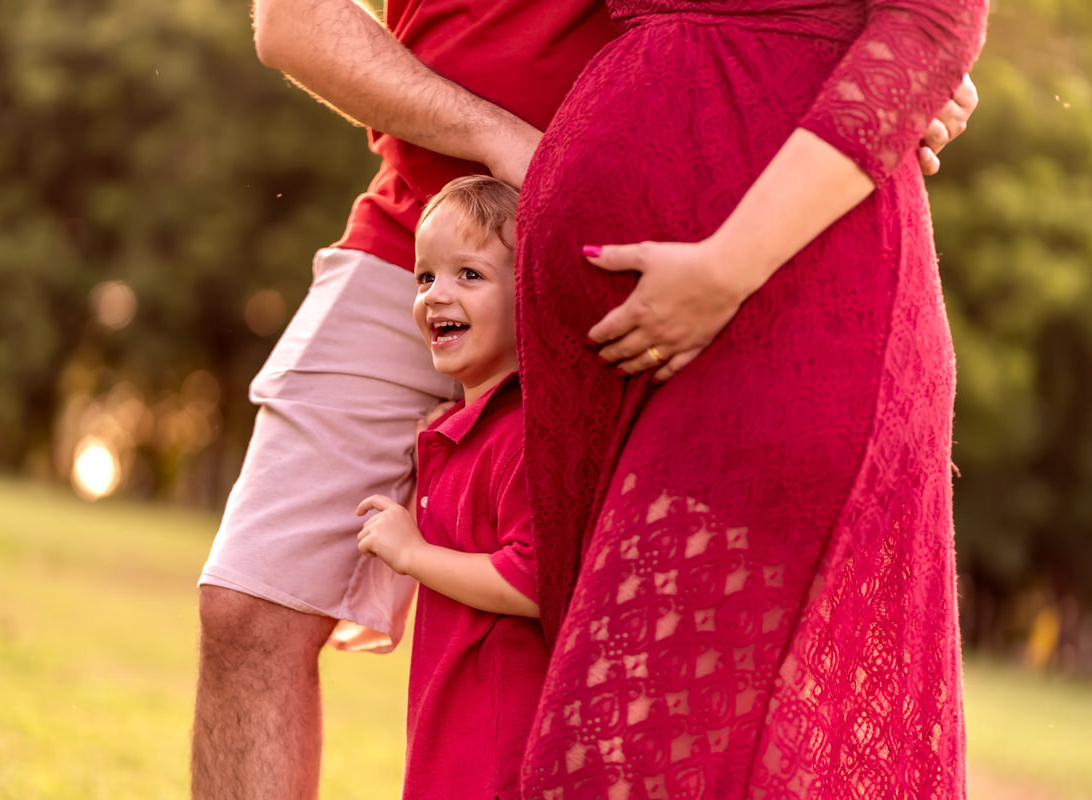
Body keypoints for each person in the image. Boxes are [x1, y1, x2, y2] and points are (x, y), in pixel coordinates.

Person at [192, 0, 979, 797]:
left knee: (648, 671)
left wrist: (884, 64)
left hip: (647, 265)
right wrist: (499, 139)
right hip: (421, 237)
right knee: (250, 605)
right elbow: (292, 24)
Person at [512, 0, 989, 797]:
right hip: (610, 369)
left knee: (611, 766)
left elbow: (934, 24)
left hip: (786, 307)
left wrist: (728, 267)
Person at [355, 175, 548, 800]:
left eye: (470, 274)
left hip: (499, 751)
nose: (437, 295)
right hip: (449, 732)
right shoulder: (455, 431)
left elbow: (534, 581)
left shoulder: (524, 433)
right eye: (425, 277)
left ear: (530, 295)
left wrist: (413, 555)